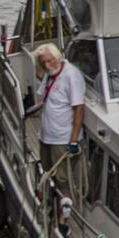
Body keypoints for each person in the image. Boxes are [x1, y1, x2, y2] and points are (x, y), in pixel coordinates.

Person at [32, 43, 85, 175]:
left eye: (50, 61)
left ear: (58, 57)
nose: (47, 66)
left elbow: (79, 108)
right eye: (43, 63)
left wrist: (73, 141)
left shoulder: (71, 76)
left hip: (62, 139)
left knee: (63, 177)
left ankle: (67, 195)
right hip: (46, 135)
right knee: (47, 170)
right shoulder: (50, 73)